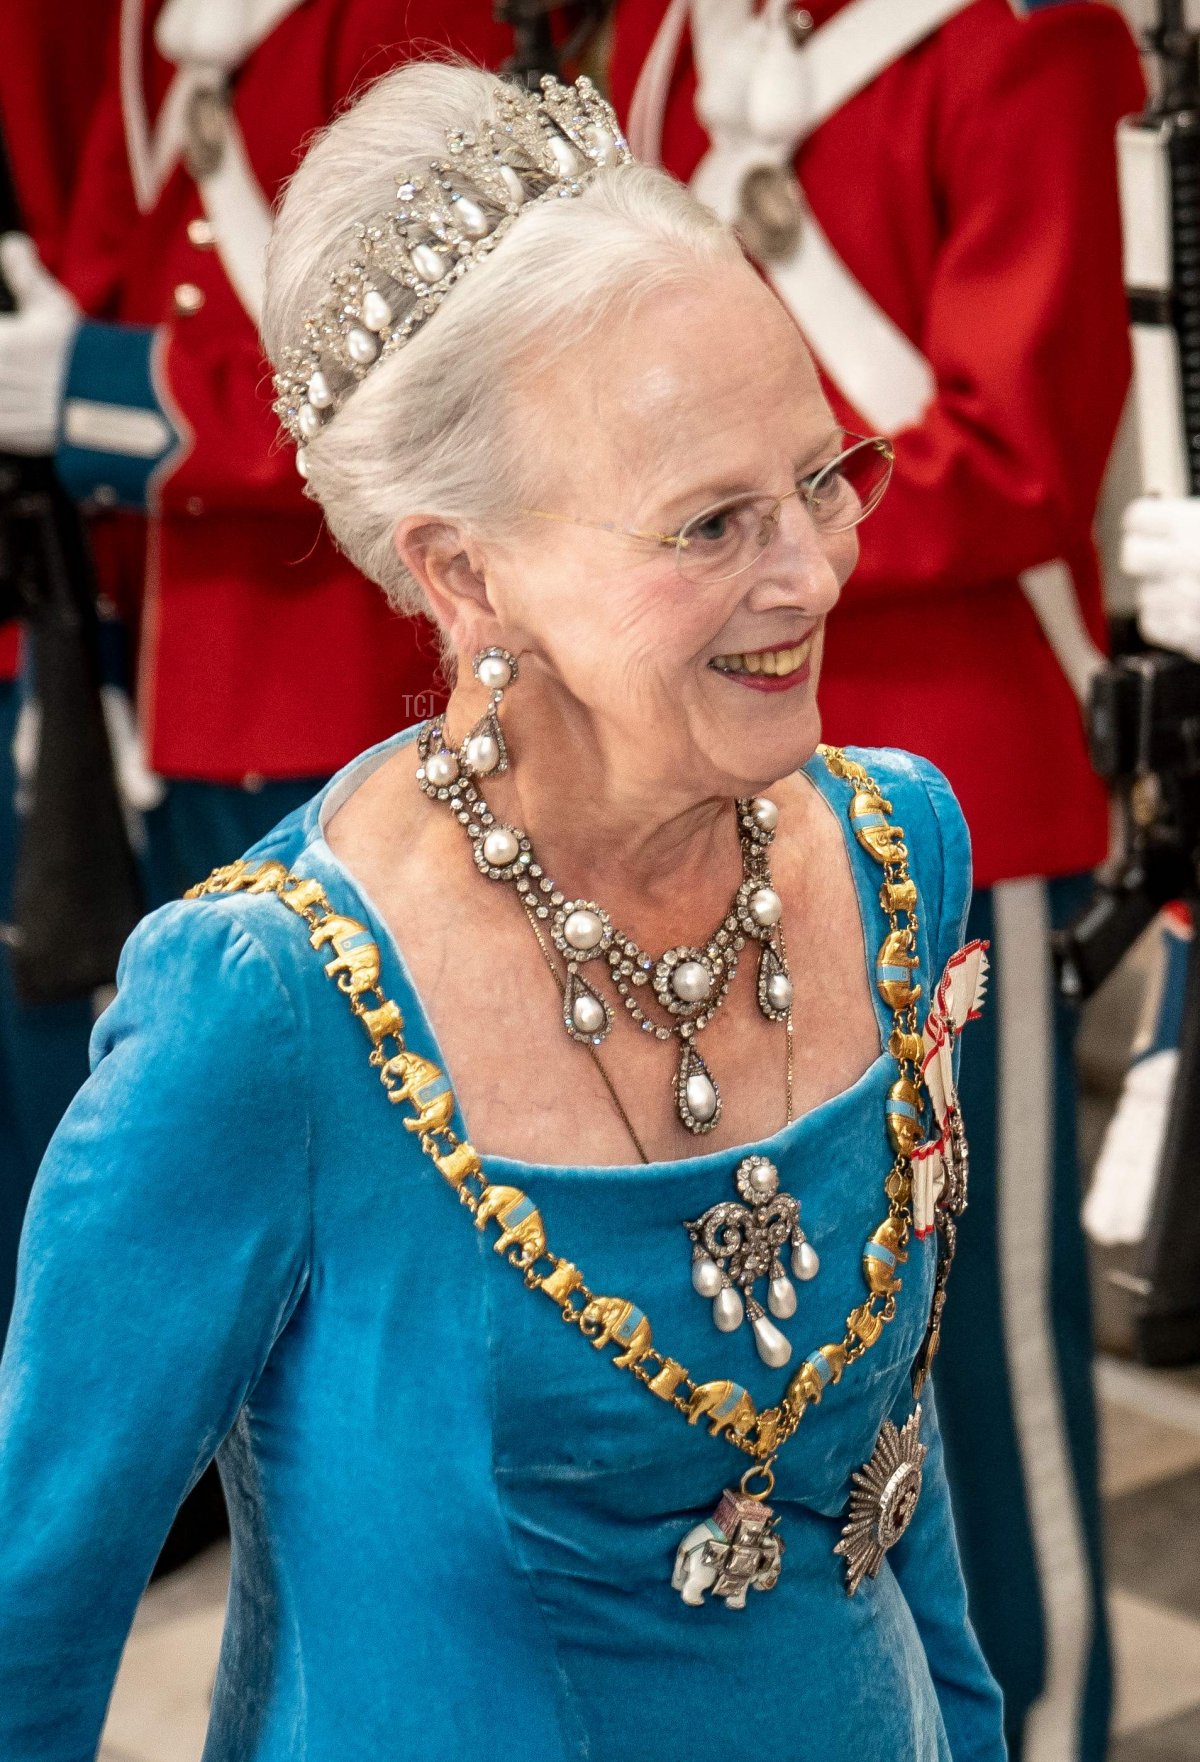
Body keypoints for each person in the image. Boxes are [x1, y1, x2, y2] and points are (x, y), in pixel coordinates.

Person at [0, 64, 1005, 1760]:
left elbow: (896, 1502)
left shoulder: (897, 848)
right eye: (711, 525)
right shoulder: (268, 1007)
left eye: (819, 474)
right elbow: (25, 1630)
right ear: (466, 573)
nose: (815, 570)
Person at [607, 4, 1144, 1758]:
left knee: (977, 1359)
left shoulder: (1022, 39)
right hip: (707, 799)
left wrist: (702, 546)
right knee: (776, 1343)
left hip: (958, 799)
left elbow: (1014, 454)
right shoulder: (676, 39)